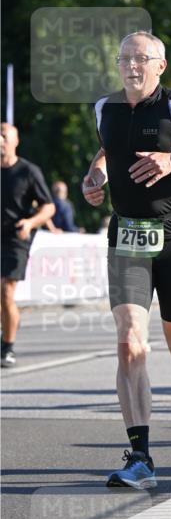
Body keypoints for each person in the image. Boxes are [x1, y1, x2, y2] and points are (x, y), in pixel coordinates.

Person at [82, 31, 171, 489]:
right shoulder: (105, 108)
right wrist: (95, 173)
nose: (131, 66)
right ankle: (140, 455)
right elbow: (109, 148)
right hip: (126, 234)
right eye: (124, 58)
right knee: (129, 341)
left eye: (141, 59)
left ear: (160, 66)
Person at [1, 123, 55, 367]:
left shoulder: (28, 171)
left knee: (6, 291)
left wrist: (30, 222)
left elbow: (48, 206)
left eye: (3, 134)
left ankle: (7, 348)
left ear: (15, 140)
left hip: (16, 237)